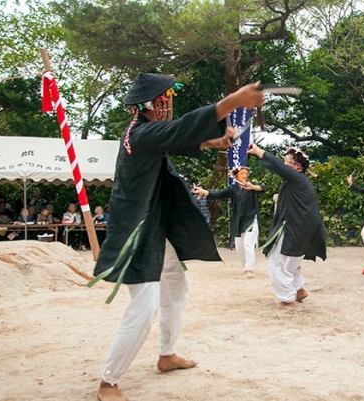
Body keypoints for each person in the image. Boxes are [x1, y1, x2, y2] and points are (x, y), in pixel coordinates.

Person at [92, 72, 264, 401]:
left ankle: (166, 354)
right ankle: (108, 382)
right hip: (137, 231)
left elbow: (175, 138)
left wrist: (212, 142)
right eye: (165, 101)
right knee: (143, 308)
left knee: (176, 283)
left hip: (153, 224)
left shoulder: (141, 132)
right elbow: (178, 130)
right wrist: (234, 100)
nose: (169, 106)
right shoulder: (139, 134)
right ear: (155, 105)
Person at [246, 144, 326, 306]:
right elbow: (296, 200)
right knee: (291, 262)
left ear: (296, 166)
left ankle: (287, 298)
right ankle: (299, 290)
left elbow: (276, 165)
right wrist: (280, 197)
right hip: (305, 227)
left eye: (287, 161)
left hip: (294, 226)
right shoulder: (300, 182)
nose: (284, 163)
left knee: (277, 261)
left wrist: (258, 151)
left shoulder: (296, 178)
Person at [194, 166, 266, 277]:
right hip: (238, 221)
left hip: (251, 219)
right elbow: (218, 194)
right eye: (242, 174)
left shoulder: (252, 186)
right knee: (239, 247)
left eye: (246, 174)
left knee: (248, 243)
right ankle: (245, 267)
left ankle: (249, 269)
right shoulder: (233, 188)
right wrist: (203, 191)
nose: (245, 176)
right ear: (237, 176)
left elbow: (262, 188)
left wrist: (252, 186)